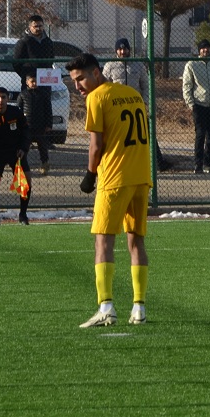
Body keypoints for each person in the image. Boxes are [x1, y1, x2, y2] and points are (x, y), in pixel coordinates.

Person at [68, 53, 153, 327]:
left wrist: (89, 175)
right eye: (73, 81)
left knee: (103, 241)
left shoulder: (97, 97)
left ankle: (106, 306)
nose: (78, 86)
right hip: (141, 177)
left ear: (96, 73)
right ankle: (139, 308)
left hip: (114, 178)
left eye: (80, 79)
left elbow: (96, 146)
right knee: (135, 240)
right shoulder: (131, 93)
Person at [103, 38, 174, 172]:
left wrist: (144, 101)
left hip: (136, 108)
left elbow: (146, 85)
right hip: (118, 110)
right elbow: (105, 87)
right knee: (118, 138)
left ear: (129, 50)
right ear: (116, 51)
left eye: (125, 49)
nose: (123, 52)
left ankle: (159, 163)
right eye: (120, 49)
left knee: (147, 133)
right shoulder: (109, 66)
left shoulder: (138, 65)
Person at [0, 86, 32, 225]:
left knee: (25, 182)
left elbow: (26, 131)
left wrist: (23, 148)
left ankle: (23, 215)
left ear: (8, 99)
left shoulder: (16, 112)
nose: (0, 100)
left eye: (3, 97)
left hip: (16, 152)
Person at [12, 14, 57, 174]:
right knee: (28, 106)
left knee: (45, 105)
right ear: (29, 27)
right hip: (30, 80)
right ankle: (26, 138)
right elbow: (15, 61)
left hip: (45, 79)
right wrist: (26, 76)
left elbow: (51, 59)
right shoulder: (24, 42)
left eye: (40, 25)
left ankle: (44, 138)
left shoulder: (48, 42)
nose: (38, 28)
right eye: (35, 26)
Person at [181, 39, 210, 174]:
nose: (205, 50)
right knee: (200, 134)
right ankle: (198, 164)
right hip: (199, 105)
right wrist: (191, 104)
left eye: (207, 48)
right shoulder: (192, 65)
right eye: (203, 48)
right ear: (199, 50)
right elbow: (187, 86)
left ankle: (207, 162)